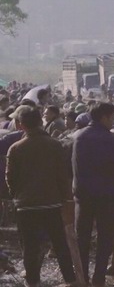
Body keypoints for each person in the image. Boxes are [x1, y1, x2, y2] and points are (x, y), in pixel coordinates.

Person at [6, 108, 77, 287]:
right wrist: (66, 199)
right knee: (60, 243)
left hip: (26, 206)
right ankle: (70, 279)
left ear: (21, 125)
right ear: (40, 122)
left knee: (30, 247)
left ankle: (33, 281)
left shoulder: (15, 148)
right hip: (52, 203)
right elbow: (63, 175)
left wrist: (18, 196)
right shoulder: (54, 145)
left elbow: (10, 178)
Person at [72, 102, 114, 286]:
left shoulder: (79, 137)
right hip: (106, 196)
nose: (113, 121)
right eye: (112, 117)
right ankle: (99, 277)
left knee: (82, 238)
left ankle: (82, 277)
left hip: (82, 196)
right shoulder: (110, 140)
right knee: (105, 238)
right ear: (104, 117)